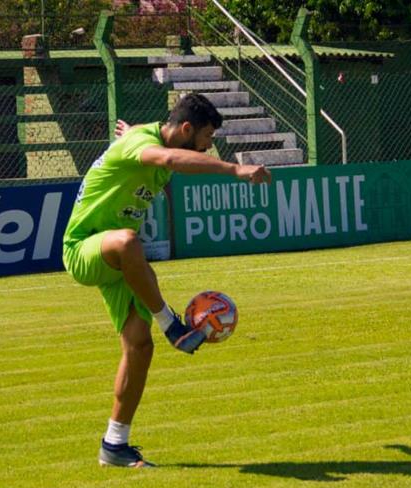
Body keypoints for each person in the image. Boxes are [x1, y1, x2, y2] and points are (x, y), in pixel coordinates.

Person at [62, 93, 272, 468]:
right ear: (187, 129)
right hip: (84, 250)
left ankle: (114, 445)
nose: (209, 147)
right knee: (129, 241)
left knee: (139, 348)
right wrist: (234, 170)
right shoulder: (148, 146)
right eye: (207, 138)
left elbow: (166, 152)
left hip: (120, 262)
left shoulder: (147, 141)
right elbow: (171, 156)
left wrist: (129, 136)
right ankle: (170, 324)